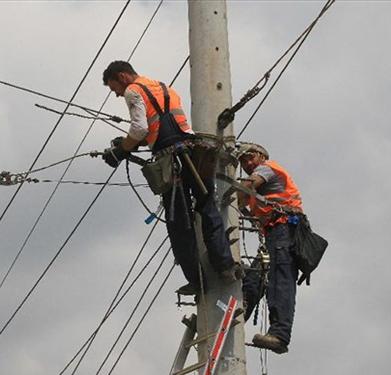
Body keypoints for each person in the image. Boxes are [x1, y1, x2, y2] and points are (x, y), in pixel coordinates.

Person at [101, 60, 240, 295]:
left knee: (179, 223)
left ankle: (198, 281)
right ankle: (225, 266)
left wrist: (121, 150)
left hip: (171, 161)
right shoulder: (165, 88)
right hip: (195, 154)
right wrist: (130, 145)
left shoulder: (133, 90)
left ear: (122, 77)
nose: (117, 94)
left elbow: (139, 129)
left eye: (115, 88)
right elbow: (162, 127)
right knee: (208, 208)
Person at [237, 142, 304, 354]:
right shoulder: (260, 185)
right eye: (242, 161)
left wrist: (229, 199)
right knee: (254, 278)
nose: (247, 163)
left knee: (279, 279)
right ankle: (237, 317)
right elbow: (245, 206)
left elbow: (245, 190)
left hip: (285, 231)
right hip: (275, 234)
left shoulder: (267, 168)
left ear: (261, 156)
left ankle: (279, 335)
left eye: (250, 157)